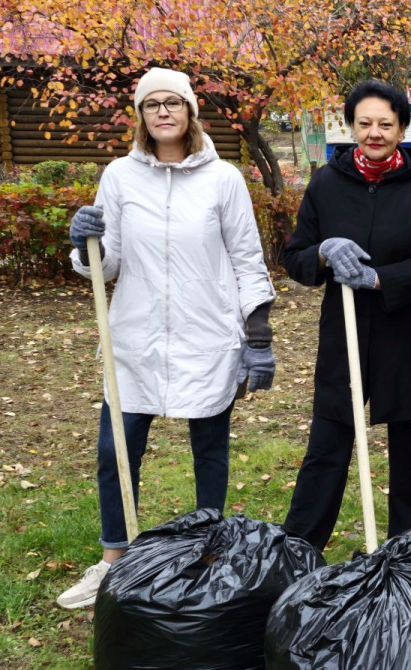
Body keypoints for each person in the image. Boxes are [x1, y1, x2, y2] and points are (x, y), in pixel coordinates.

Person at [57, 67, 277, 609]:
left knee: (209, 449)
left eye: (172, 103)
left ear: (190, 111)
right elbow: (106, 266)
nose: (162, 112)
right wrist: (86, 245)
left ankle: (208, 551)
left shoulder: (223, 179)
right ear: (140, 116)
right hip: (135, 340)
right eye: (151, 104)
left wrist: (258, 334)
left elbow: (247, 258)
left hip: (207, 336)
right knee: (117, 451)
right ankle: (113, 559)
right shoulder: (119, 177)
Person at [282, 80, 411, 551]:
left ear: (401, 128)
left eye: (385, 123)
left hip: (410, 333)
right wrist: (322, 252)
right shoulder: (327, 183)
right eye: (365, 123)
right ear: (351, 126)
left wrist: (380, 280)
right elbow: (295, 257)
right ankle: (299, 550)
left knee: (410, 453)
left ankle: (408, 552)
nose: (375, 133)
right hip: (346, 333)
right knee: (328, 446)